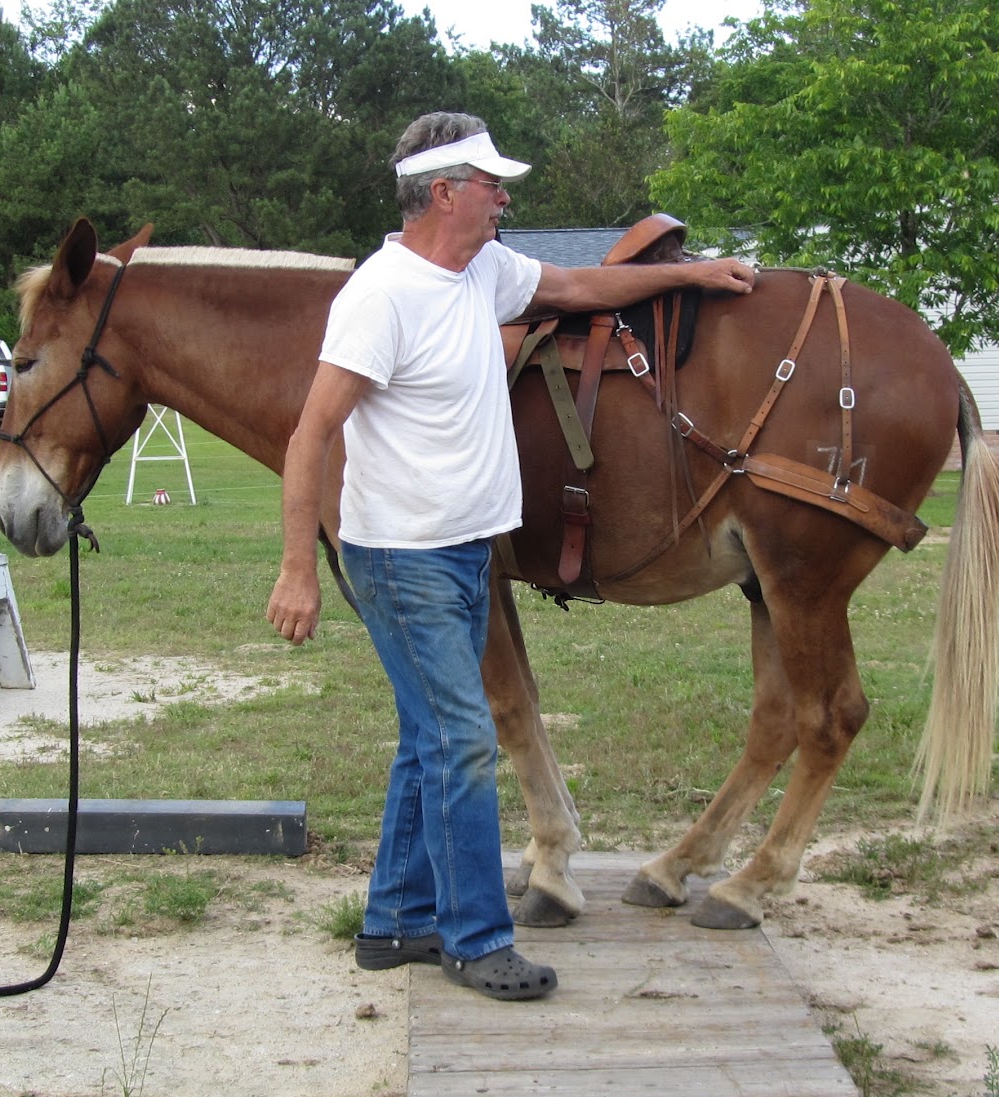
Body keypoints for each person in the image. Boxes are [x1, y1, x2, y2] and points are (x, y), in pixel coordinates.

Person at [266, 112, 755, 1001]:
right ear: (443, 192)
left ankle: (394, 923)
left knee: (426, 742)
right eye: (491, 183)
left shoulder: (480, 271)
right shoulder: (382, 295)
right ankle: (475, 939)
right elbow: (311, 434)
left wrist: (690, 272)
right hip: (403, 558)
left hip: (461, 556)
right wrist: (299, 567)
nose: (505, 195)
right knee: (460, 740)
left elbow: (572, 286)